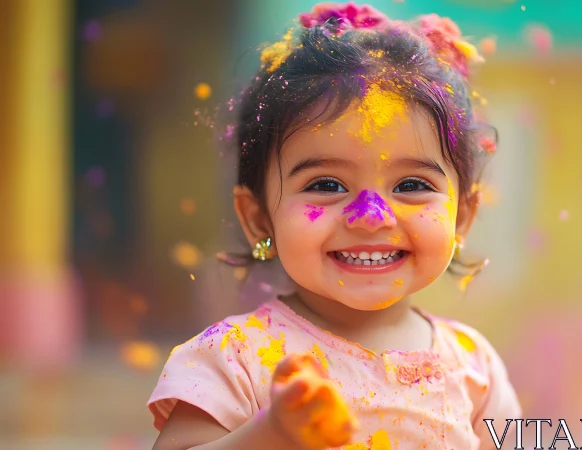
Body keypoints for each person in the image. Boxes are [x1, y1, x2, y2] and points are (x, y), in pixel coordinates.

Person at [149, 3, 522, 449]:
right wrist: (272, 434)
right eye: (326, 184)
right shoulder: (234, 358)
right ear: (258, 218)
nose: (371, 216)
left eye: (410, 184)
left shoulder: (473, 367)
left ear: (461, 216)